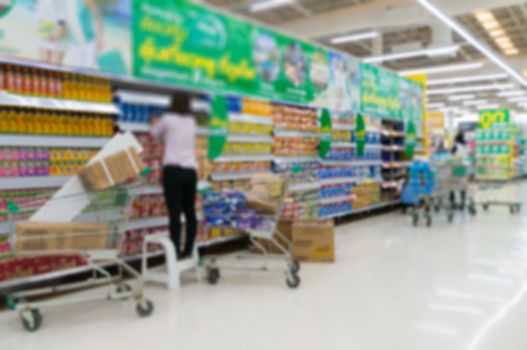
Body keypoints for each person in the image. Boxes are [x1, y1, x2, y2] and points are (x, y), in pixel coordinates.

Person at [151, 94, 198, 259]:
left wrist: (154, 122)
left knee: (175, 213)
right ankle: (189, 249)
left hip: (173, 171)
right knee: (190, 211)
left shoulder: (168, 118)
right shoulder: (191, 121)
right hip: (190, 171)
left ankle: (175, 252)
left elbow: (154, 134)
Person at [450, 131, 469, 209]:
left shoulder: (455, 147)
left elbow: (451, 156)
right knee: (462, 185)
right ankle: (462, 202)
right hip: (464, 168)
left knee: (451, 185)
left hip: (456, 168)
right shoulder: (465, 146)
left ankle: (453, 202)